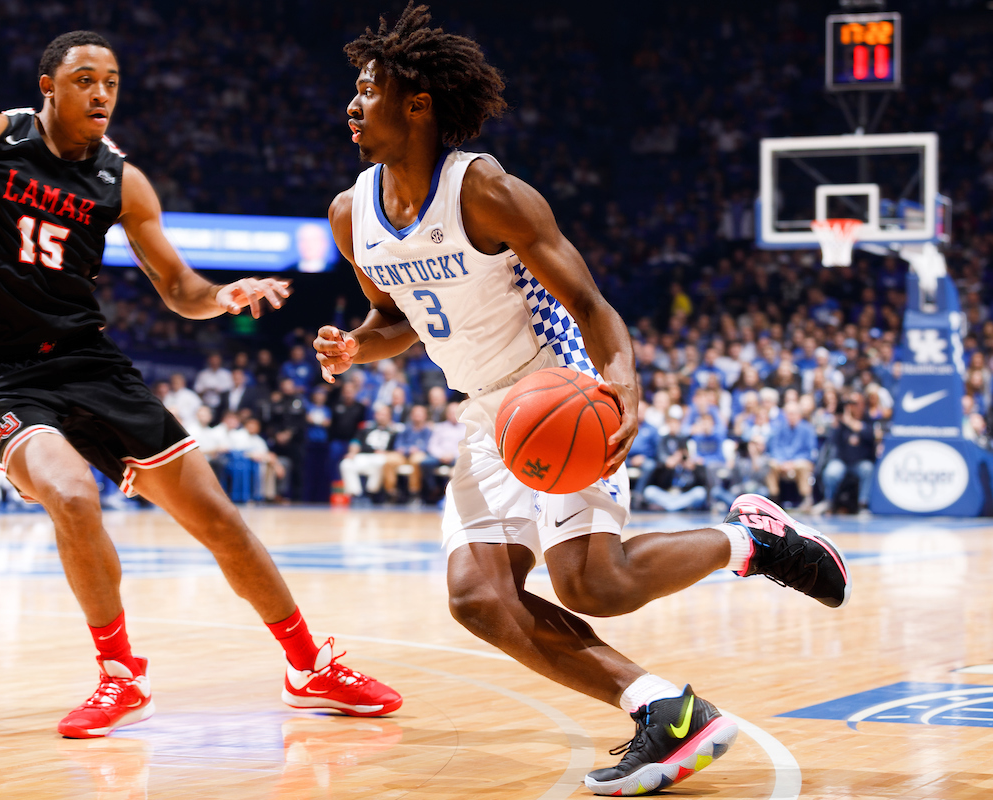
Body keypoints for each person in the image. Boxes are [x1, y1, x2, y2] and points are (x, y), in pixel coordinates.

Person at [0, 30, 399, 737]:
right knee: (73, 494)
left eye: (111, 80)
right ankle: (120, 675)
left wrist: (222, 298)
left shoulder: (122, 182)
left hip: (92, 364)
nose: (102, 91)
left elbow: (177, 286)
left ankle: (308, 666)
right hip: (4, 374)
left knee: (221, 521)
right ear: (48, 86)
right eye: (84, 78)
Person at [313, 7, 848, 794]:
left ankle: (750, 541)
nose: (352, 106)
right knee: (479, 600)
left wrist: (622, 380)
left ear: (417, 104)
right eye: (353, 92)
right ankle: (664, 710)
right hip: (480, 411)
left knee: (596, 585)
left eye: (368, 90)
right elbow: (397, 322)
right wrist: (359, 344)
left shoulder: (487, 190)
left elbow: (592, 304)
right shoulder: (350, 214)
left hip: (554, 388)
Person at [816, 394, 877, 514]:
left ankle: (863, 504)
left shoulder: (867, 418)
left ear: (862, 405)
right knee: (832, 472)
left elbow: (869, 434)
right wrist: (837, 424)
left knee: (868, 469)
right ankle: (829, 502)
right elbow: (833, 441)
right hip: (843, 461)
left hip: (859, 462)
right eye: (850, 404)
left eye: (855, 403)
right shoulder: (841, 422)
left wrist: (849, 421)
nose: (852, 406)